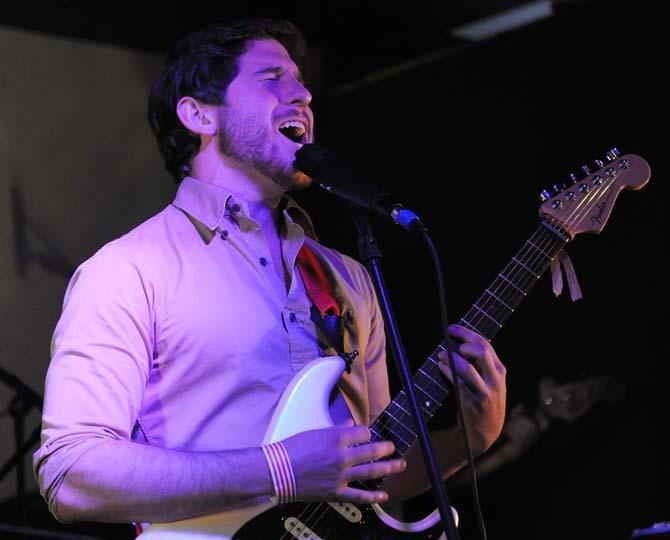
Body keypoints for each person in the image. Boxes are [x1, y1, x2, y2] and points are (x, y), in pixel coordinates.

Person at [33, 17, 506, 528]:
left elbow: (371, 478)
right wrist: (279, 469)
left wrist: (468, 439)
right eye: (272, 78)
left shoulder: (346, 277)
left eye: (301, 81)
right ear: (199, 115)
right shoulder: (128, 269)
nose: (303, 94)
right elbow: (71, 473)